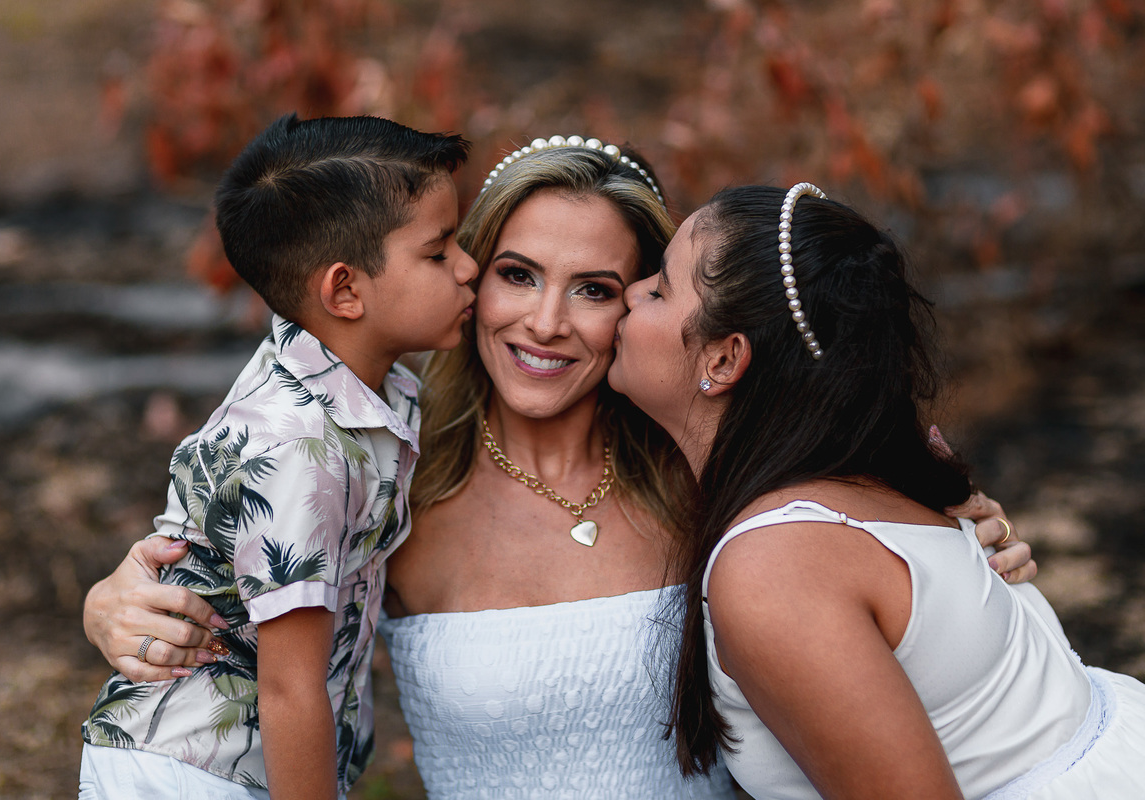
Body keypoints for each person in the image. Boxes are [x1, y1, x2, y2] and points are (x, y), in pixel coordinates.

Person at [81, 142, 1035, 798]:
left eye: (597, 290)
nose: (544, 324)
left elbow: (871, 552)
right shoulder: (394, 488)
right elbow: (247, 551)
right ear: (464, 276)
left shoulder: (711, 482)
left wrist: (973, 535)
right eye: (518, 274)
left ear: (655, 310)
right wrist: (115, 595)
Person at [609, 183, 1145, 799]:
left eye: (659, 288)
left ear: (725, 361)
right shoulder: (872, 476)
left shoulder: (775, 566)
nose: (630, 291)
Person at [78, 113, 479, 800]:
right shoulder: (300, 450)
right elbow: (292, 687)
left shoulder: (365, 389)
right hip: (195, 772)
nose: (469, 267)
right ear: (344, 291)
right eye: (439, 253)